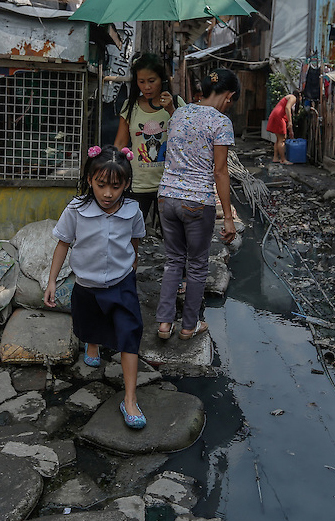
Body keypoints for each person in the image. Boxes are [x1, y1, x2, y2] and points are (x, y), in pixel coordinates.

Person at [43, 145, 147, 429]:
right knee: (91, 324)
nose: (108, 193)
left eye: (115, 186)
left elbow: (134, 242)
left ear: (126, 184)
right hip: (86, 285)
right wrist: (52, 281)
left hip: (121, 282)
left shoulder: (133, 210)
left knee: (129, 334)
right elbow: (63, 244)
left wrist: (132, 269)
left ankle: (130, 399)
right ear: (89, 180)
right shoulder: (76, 209)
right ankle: (92, 344)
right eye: (101, 185)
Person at [155, 68, 238, 341]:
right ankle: (189, 326)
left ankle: (165, 325)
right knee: (198, 266)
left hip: (167, 198)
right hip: (197, 202)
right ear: (229, 96)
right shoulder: (221, 122)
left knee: (173, 261)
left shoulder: (179, 113)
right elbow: (220, 171)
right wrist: (227, 216)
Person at [113, 53, 184, 231]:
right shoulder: (130, 106)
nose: (147, 87)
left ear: (163, 79)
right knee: (130, 234)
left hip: (170, 184)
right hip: (137, 184)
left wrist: (170, 110)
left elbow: (187, 139)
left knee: (172, 237)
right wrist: (111, 171)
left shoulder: (176, 103)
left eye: (152, 81)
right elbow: (120, 143)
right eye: (141, 81)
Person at [266, 91, 299, 164]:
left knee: (278, 139)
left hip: (275, 115)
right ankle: (283, 160)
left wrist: (291, 131)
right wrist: (290, 122)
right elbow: (287, 108)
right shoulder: (293, 97)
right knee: (282, 139)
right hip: (279, 117)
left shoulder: (287, 98)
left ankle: (275, 158)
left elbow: (288, 116)